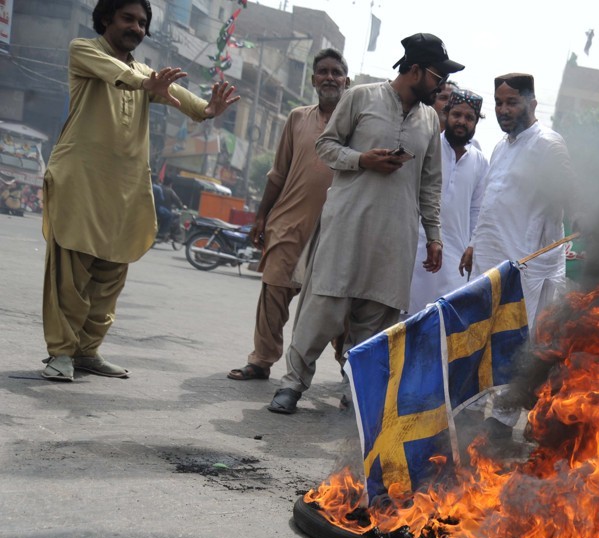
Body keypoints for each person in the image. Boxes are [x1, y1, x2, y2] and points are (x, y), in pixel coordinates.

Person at [40, 0, 238, 381]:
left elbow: (186, 102)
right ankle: (61, 354)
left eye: (142, 22)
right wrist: (147, 83)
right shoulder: (83, 50)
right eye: (128, 18)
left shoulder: (147, 74)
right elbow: (121, 74)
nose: (136, 27)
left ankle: (87, 352)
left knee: (110, 275)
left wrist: (209, 109)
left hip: (126, 191)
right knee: (70, 274)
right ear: (106, 19)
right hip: (80, 182)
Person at [267, 33, 463, 415]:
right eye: (437, 77)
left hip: (396, 236)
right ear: (416, 70)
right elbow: (326, 146)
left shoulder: (429, 121)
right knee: (324, 308)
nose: (442, 86)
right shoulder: (361, 97)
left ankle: (354, 391)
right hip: (348, 225)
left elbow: (431, 183)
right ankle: (292, 385)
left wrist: (434, 235)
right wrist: (362, 160)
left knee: (377, 319)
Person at [457, 73, 576, 439]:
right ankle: (474, 408)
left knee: (518, 345)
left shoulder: (549, 145)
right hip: (489, 264)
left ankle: (502, 423)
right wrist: (475, 243)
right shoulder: (500, 147)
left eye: (512, 103)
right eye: (499, 103)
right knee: (482, 336)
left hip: (529, 267)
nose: (503, 110)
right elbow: (492, 203)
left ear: (532, 104)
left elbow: (571, 194)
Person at [227, 48, 350, 381]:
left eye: (336, 72)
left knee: (338, 304)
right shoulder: (298, 117)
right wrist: (261, 216)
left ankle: (351, 372)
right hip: (288, 221)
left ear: (346, 80)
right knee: (273, 291)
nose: (329, 77)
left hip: (336, 229)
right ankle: (261, 359)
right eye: (323, 71)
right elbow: (277, 172)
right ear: (313, 80)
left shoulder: (356, 120)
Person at [406, 89, 488, 315]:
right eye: (457, 115)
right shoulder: (428, 146)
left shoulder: (480, 162)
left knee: (441, 323)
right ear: (446, 114)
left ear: (475, 123)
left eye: (469, 118)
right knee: (404, 320)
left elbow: (477, 210)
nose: (462, 121)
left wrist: (472, 245)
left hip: (454, 260)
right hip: (417, 249)